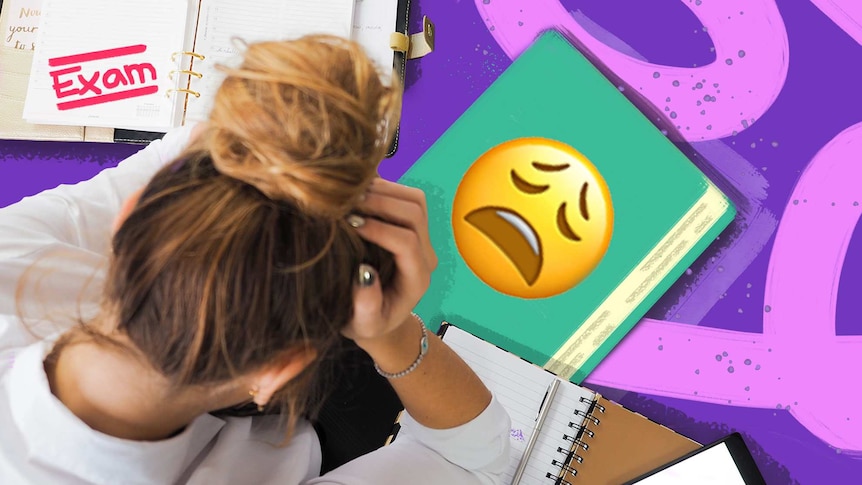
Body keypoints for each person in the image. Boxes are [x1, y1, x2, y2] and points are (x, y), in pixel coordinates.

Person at [0, 35, 510, 484]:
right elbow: (470, 461)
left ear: (128, 215)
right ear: (278, 373)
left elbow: (188, 148)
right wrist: (393, 332)